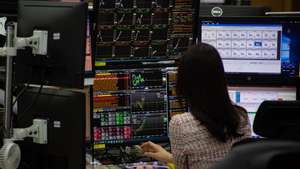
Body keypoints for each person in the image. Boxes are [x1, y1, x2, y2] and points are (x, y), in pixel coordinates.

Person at [140, 43, 252, 169]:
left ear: (184, 82)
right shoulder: (242, 117)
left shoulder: (180, 124)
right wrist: (169, 157)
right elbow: (211, 160)